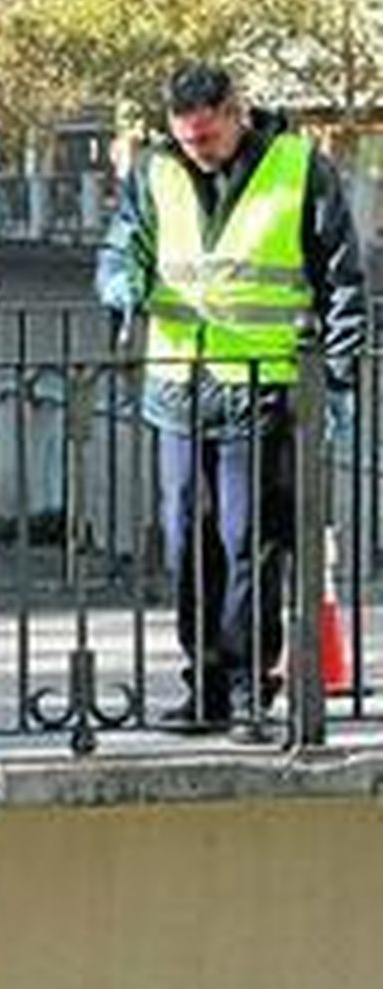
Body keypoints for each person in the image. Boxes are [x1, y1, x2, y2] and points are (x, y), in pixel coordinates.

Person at [96, 61, 367, 738]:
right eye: (187, 140)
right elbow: (123, 246)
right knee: (188, 540)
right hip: (178, 386)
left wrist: (335, 377)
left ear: (236, 113)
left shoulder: (301, 167)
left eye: (209, 138)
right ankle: (206, 687)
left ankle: (252, 690)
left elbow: (343, 277)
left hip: (263, 384)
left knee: (251, 542)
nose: (198, 150)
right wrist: (120, 282)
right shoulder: (154, 171)